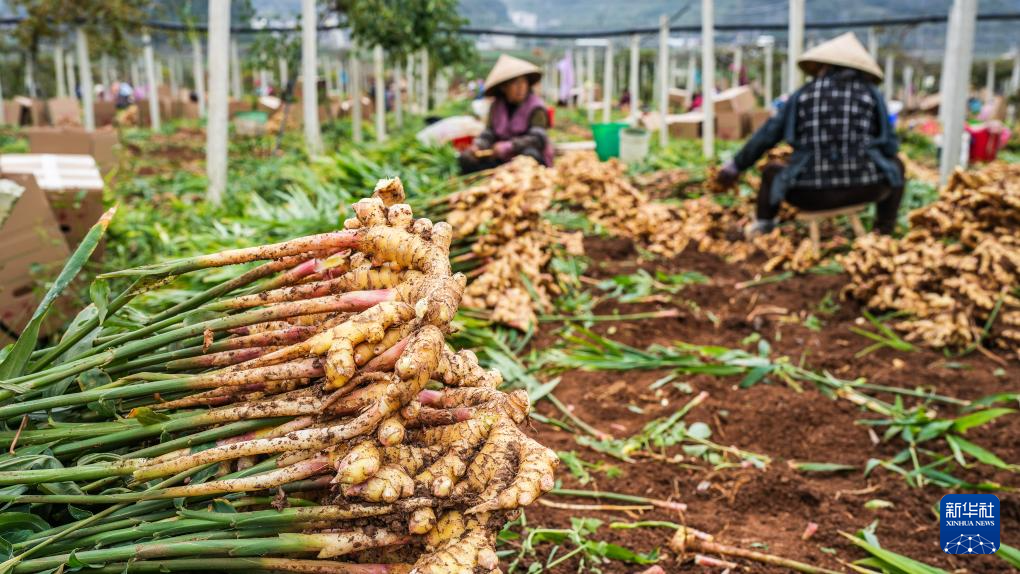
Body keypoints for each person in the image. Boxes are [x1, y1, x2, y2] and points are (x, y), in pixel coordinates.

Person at [716, 32, 904, 237]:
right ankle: (883, 230)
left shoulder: (803, 94)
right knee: (896, 165)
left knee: (771, 171)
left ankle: (764, 227)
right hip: (865, 189)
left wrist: (735, 166)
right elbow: (890, 145)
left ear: (824, 66)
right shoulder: (870, 94)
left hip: (808, 194)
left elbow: (767, 135)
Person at [459, 54, 553, 174]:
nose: (521, 87)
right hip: (501, 158)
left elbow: (538, 139)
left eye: (523, 82)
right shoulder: (496, 106)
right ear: (504, 87)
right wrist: (478, 145)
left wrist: (510, 146)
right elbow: (489, 132)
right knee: (466, 159)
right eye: (515, 83)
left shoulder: (536, 107)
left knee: (530, 155)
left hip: (525, 156)